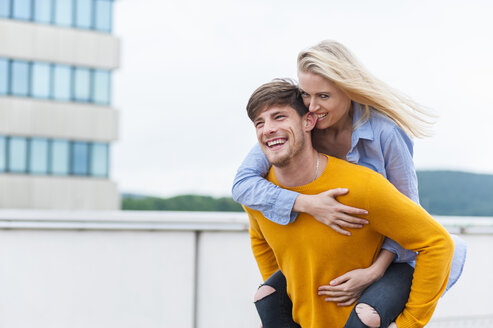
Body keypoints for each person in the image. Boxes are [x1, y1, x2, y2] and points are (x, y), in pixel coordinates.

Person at [233, 40, 466, 327]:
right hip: (337, 251)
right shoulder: (302, 127)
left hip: (388, 256)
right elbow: (243, 185)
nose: (314, 107)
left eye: (324, 96)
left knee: (366, 317)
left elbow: (409, 214)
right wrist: (309, 204)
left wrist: (374, 271)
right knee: (268, 296)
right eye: (306, 95)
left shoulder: (385, 134)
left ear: (349, 91)